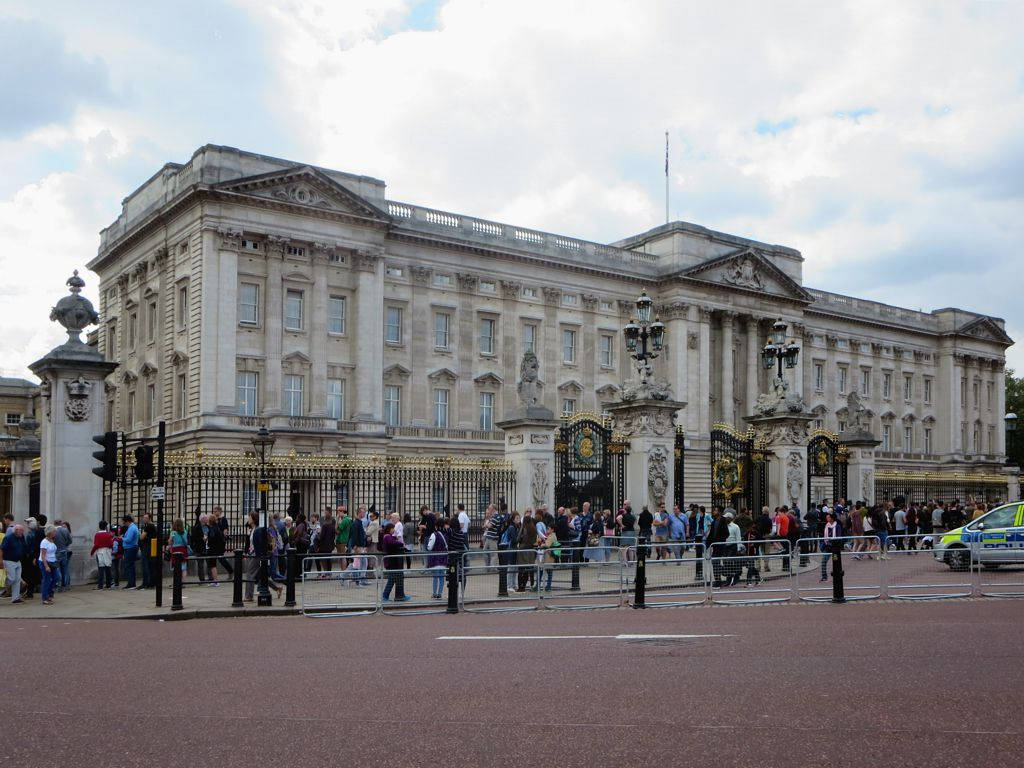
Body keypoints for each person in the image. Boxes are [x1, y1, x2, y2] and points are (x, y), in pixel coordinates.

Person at [381, 522, 410, 602]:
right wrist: (401, 543)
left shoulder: (389, 536)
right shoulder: (387, 537)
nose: (394, 530)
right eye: (393, 528)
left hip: (393, 561)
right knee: (392, 579)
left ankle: (400, 594)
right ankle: (385, 596)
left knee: (394, 579)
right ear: (389, 529)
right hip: (390, 562)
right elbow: (392, 543)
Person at [2, 523, 27, 603]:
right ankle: (2, 589)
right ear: (16, 530)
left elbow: (24, 546)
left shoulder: (21, 537)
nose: (23, 532)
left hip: (18, 561)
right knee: (11, 579)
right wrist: (0, 560)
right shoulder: (8, 538)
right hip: (9, 560)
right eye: (21, 531)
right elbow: (2, 549)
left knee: (17, 579)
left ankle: (15, 598)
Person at [425, 518, 448, 599]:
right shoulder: (446, 534)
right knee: (442, 577)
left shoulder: (434, 534)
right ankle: (440, 593)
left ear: (436, 526)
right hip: (444, 558)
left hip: (435, 559)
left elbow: (429, 547)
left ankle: (434, 593)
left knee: (435, 577)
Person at [515, 515, 538, 592]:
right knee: (527, 570)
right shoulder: (534, 529)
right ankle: (524, 586)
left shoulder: (523, 528)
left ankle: (520, 587)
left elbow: (517, 539)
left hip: (522, 550)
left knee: (521, 570)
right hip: (531, 551)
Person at [91, 520, 115, 590]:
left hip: (100, 552)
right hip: (107, 551)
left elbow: (96, 545)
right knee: (108, 568)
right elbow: (111, 544)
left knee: (101, 569)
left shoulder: (97, 535)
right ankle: (108, 584)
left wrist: (92, 552)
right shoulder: (108, 534)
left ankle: (100, 585)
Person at [722, 511, 742, 587]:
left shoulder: (735, 527)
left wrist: (739, 548)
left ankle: (735, 576)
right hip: (724, 546)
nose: (725, 519)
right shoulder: (723, 526)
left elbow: (738, 538)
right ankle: (728, 579)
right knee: (725, 562)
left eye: (726, 518)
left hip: (732, 546)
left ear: (730, 518)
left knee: (729, 562)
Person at [139, 513, 158, 589]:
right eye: (144, 517)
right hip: (152, 548)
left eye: (146, 518)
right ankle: (151, 582)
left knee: (145, 566)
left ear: (150, 518)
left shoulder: (148, 526)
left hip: (147, 548)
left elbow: (141, 537)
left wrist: (143, 535)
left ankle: (145, 583)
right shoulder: (153, 526)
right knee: (151, 566)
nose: (144, 519)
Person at [820, 511, 841, 581]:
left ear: (832, 518)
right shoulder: (827, 525)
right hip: (827, 547)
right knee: (823, 561)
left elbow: (838, 536)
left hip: (835, 548)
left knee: (835, 562)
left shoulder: (837, 526)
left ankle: (836, 576)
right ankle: (824, 576)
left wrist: (832, 541)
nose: (827, 517)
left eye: (828, 517)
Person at [120, 514, 140, 589]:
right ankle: (131, 583)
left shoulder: (132, 528)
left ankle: (131, 583)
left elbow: (128, 539)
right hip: (130, 548)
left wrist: (122, 538)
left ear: (128, 521)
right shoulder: (132, 527)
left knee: (129, 566)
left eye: (124, 523)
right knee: (130, 566)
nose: (124, 524)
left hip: (130, 548)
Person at [54, 519, 73, 592]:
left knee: (57, 568)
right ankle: (64, 585)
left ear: (54, 523)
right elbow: (70, 541)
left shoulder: (53, 530)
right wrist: (65, 545)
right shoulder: (65, 530)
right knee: (64, 569)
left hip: (56, 551)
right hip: (64, 551)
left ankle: (58, 584)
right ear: (60, 523)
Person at [205, 516, 225, 586]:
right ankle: (215, 580)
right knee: (213, 565)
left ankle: (216, 581)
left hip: (213, 549)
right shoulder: (216, 527)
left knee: (213, 565)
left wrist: (207, 539)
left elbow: (212, 538)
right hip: (216, 549)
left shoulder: (212, 528)